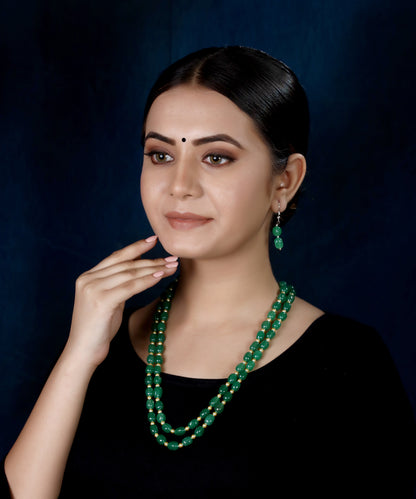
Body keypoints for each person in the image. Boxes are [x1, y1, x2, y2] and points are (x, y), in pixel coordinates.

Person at [2, 46, 415, 498]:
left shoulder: (348, 362)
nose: (179, 186)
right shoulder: (103, 338)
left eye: (216, 157)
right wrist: (78, 356)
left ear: (285, 181)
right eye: (160, 155)